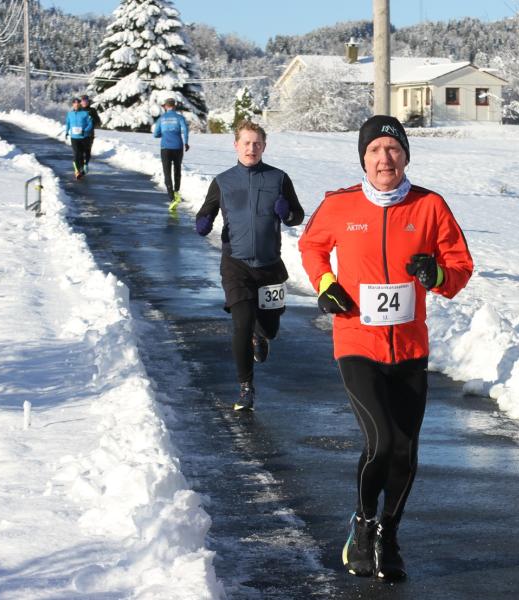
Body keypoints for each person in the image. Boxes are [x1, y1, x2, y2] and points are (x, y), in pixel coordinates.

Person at [298, 115, 473, 582]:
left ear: (405, 157)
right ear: (363, 158)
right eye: (375, 151)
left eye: (393, 150)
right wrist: (326, 282)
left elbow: (459, 266)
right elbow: (311, 246)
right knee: (382, 440)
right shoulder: (340, 204)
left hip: (410, 348)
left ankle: (388, 532)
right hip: (357, 340)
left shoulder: (430, 206)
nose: (384, 159)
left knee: (406, 451)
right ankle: (361, 523)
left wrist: (435, 275)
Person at [194, 120, 304, 411]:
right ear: (236, 145)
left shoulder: (279, 178)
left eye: (257, 143)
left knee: (270, 328)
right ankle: (245, 387)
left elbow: (297, 215)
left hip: (270, 266)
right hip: (236, 265)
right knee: (240, 324)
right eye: (246, 143)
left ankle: (262, 334)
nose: (251, 148)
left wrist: (288, 213)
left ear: (264, 147)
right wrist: (203, 223)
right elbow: (206, 212)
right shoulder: (223, 181)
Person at [153, 98, 189, 212]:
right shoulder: (180, 118)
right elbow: (186, 130)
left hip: (165, 148)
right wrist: (186, 143)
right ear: (175, 106)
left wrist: (163, 135)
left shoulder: (161, 119)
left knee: (167, 172)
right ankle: (177, 191)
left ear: (165, 107)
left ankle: (172, 198)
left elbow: (155, 134)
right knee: (177, 170)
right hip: (178, 146)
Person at [64, 98, 94, 179]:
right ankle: (77, 171)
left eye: (78, 103)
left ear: (80, 104)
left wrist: (85, 131)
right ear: (73, 104)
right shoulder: (70, 114)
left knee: (84, 153)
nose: (76, 105)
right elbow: (68, 123)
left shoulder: (85, 113)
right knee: (77, 153)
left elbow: (90, 124)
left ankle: (84, 166)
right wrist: (66, 132)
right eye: (74, 103)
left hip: (84, 137)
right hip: (74, 137)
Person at [79, 95, 101, 171]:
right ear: (80, 102)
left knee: (87, 150)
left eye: (86, 101)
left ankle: (86, 164)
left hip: (89, 134)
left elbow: (98, 122)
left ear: (88, 102)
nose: (84, 102)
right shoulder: (77, 110)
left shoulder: (92, 110)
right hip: (78, 134)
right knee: (79, 151)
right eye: (83, 101)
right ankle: (80, 165)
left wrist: (92, 121)